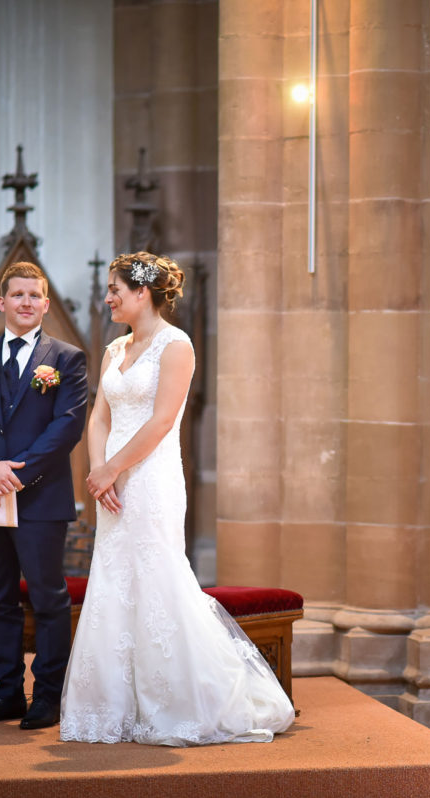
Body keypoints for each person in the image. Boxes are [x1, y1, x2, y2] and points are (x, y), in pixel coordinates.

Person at [59, 251, 294, 746]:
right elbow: (98, 417)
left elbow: (163, 421)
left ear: (142, 292)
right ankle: (113, 707)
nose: (108, 298)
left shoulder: (176, 345)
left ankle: (179, 702)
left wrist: (114, 469)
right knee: (113, 580)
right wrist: (97, 471)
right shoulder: (113, 350)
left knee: (156, 578)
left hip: (149, 479)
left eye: (115, 290)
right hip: (113, 483)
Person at [0, 261, 88, 730]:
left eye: (35, 296)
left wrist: (17, 473)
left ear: (45, 305)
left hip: (40, 498)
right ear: (2, 302)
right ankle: (7, 691)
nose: (27, 302)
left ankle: (47, 695)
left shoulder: (66, 358)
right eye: (18, 295)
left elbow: (67, 426)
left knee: (48, 598)